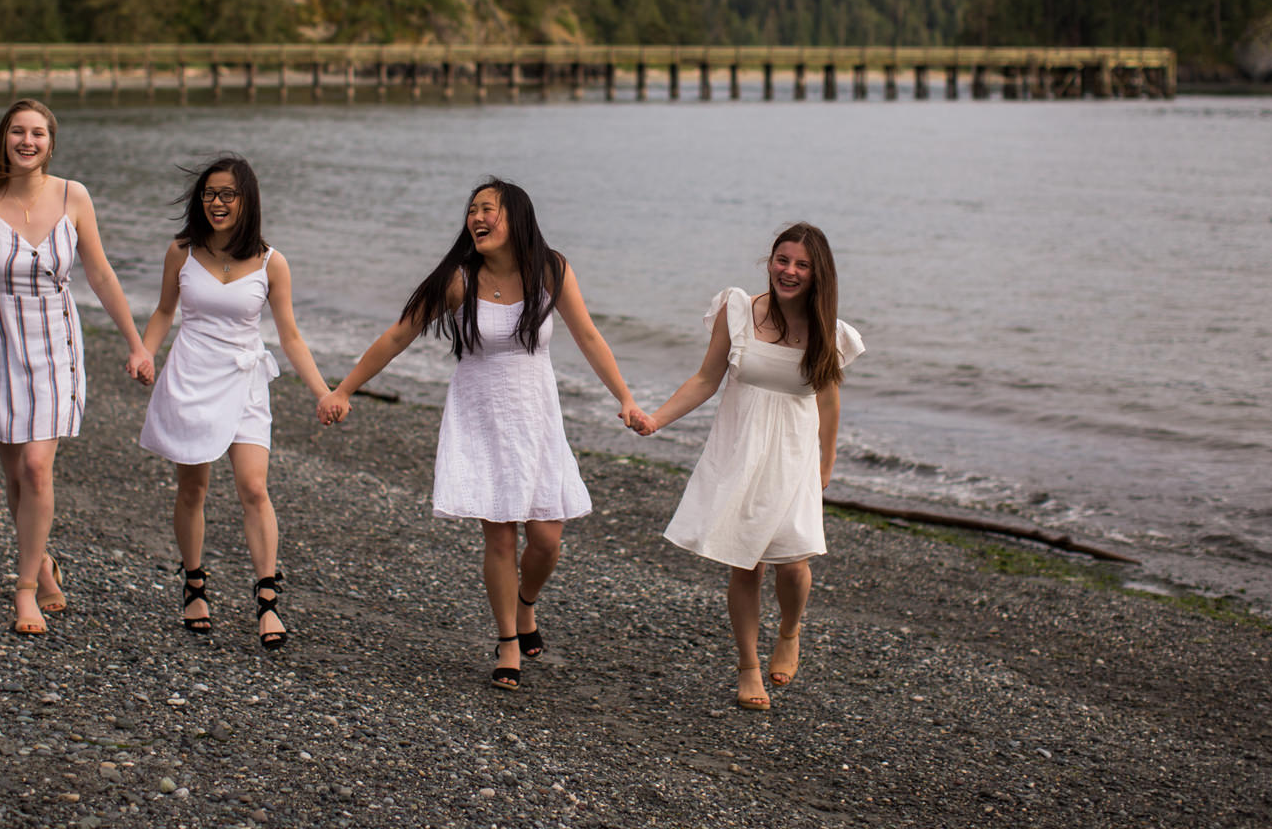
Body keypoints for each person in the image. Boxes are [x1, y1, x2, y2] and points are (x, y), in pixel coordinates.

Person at [317, 178, 646, 690]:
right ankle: (508, 642)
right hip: (481, 415)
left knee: (547, 540)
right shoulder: (459, 280)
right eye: (472, 210)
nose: (477, 218)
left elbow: (588, 335)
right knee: (500, 533)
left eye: (488, 209)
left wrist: (625, 397)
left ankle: (526, 604)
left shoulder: (551, 270)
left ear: (516, 217)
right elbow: (399, 334)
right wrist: (345, 389)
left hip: (536, 417)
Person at [0, 98, 153, 636]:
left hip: (56, 341)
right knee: (15, 476)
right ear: (2, 139)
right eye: (17, 132)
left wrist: (137, 344)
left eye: (38, 133)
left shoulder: (74, 196)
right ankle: (44, 560)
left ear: (51, 143)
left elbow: (99, 273)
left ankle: (25, 589)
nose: (27, 141)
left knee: (36, 468)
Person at [627, 222, 864, 710]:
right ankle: (748, 667)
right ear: (769, 261)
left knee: (794, 563)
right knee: (746, 563)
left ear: (819, 273)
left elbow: (829, 403)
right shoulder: (738, 310)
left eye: (801, 264)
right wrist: (657, 419)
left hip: (794, 458)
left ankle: (790, 632)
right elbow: (705, 379)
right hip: (740, 451)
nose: (789, 271)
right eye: (782, 260)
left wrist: (826, 463)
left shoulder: (830, 332)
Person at [136, 155, 332, 648]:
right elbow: (164, 311)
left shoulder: (271, 261)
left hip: (245, 380)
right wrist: (143, 352)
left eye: (227, 194)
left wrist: (323, 391)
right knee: (192, 489)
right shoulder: (182, 251)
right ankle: (194, 585)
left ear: (247, 199)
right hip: (191, 375)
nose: (217, 203)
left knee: (254, 487)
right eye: (209, 194)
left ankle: (267, 601)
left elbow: (290, 337)